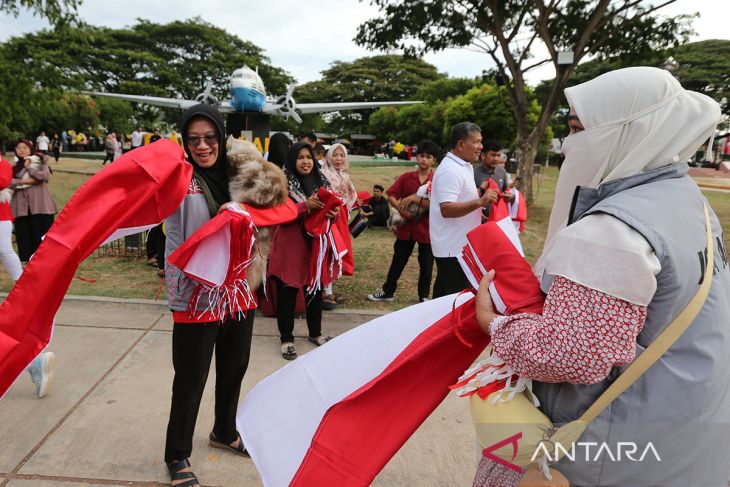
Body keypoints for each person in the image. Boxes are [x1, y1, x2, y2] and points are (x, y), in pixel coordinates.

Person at [470, 67, 730, 486]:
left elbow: (573, 355)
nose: (571, 144)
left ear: (632, 131)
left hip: (608, 451)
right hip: (678, 429)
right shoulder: (684, 198)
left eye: (578, 129)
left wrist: (495, 325)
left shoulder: (613, 229)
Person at [163, 104, 255, 486]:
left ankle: (224, 430)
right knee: (190, 377)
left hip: (237, 291)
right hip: (197, 294)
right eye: (194, 139)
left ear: (221, 136)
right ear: (184, 142)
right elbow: (174, 238)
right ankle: (176, 454)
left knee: (234, 367)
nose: (203, 146)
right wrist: (180, 291)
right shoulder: (180, 178)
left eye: (210, 137)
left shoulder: (239, 177)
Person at [267, 142, 334, 360]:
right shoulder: (282, 185)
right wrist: (305, 206)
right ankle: (286, 339)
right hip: (290, 247)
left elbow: (332, 211)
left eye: (309, 157)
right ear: (292, 160)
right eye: (300, 157)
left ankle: (315, 333)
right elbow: (278, 214)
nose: (305, 161)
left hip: (314, 247)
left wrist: (333, 215)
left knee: (314, 291)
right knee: (287, 294)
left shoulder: (322, 182)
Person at [368, 140, 439, 303]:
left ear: (433, 160)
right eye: (421, 156)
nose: (424, 160)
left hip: (427, 229)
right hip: (405, 229)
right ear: (416, 157)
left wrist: (414, 198)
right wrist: (400, 210)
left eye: (428, 157)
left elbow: (440, 203)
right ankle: (388, 292)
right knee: (398, 261)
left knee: (426, 265)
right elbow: (391, 194)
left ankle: (424, 297)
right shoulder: (406, 177)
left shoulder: (437, 179)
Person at [429, 122, 495, 298]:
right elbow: (447, 208)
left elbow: (459, 199)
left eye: (481, 142)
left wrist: (478, 196)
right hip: (453, 249)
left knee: (442, 300)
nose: (481, 147)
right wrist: (480, 202)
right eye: (476, 142)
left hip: (457, 247)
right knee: (455, 300)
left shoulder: (462, 165)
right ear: (460, 145)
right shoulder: (451, 170)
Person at [320, 143, 358, 309]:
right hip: (330, 217)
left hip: (341, 217)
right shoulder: (325, 174)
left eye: (342, 155)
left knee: (337, 253)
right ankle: (325, 292)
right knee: (329, 252)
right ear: (329, 157)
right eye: (335, 155)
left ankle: (328, 289)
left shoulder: (343, 175)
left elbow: (349, 198)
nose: (338, 159)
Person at [9, 140, 57, 263]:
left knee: (41, 236)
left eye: (25, 147)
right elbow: (8, 182)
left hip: (40, 205)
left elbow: (44, 176)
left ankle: (46, 262)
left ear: (31, 149)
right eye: (19, 147)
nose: (22, 150)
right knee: (24, 236)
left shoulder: (41, 161)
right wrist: (28, 181)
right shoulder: (14, 167)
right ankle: (26, 264)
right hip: (21, 207)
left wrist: (28, 167)